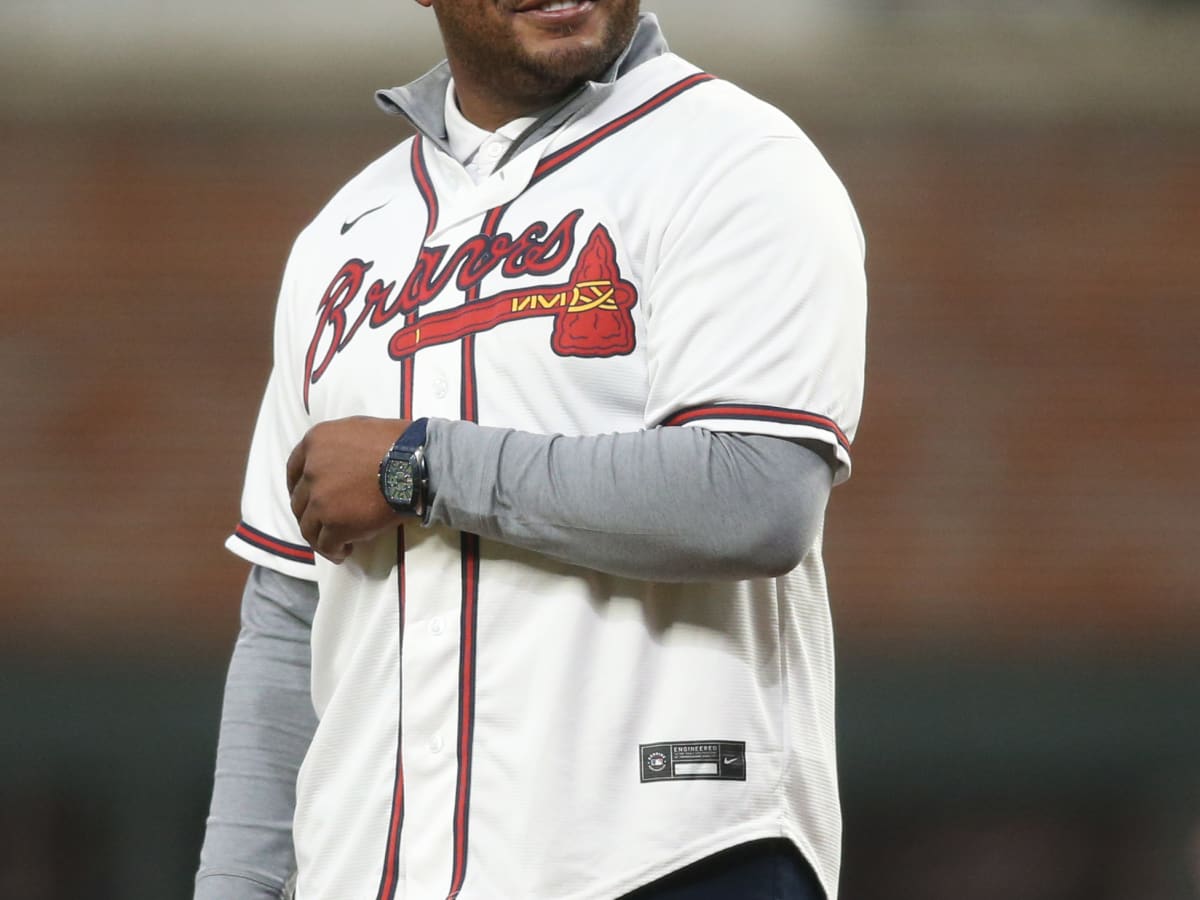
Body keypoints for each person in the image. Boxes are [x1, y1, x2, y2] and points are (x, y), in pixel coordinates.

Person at [195, 1, 866, 898]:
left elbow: (754, 497)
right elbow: (289, 611)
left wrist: (421, 467)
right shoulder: (345, 233)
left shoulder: (734, 158)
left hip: (669, 856)